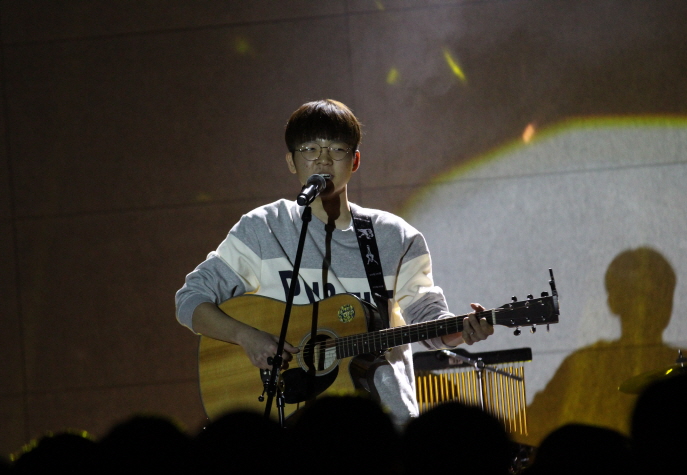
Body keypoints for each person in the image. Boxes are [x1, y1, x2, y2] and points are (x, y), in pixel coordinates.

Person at [175, 99, 493, 424]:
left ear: (355, 160)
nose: (324, 159)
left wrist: (462, 330)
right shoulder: (264, 228)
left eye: (337, 149)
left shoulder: (394, 236)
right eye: (310, 149)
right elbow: (190, 300)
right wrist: (246, 336)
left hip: (383, 421)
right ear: (291, 161)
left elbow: (428, 323)